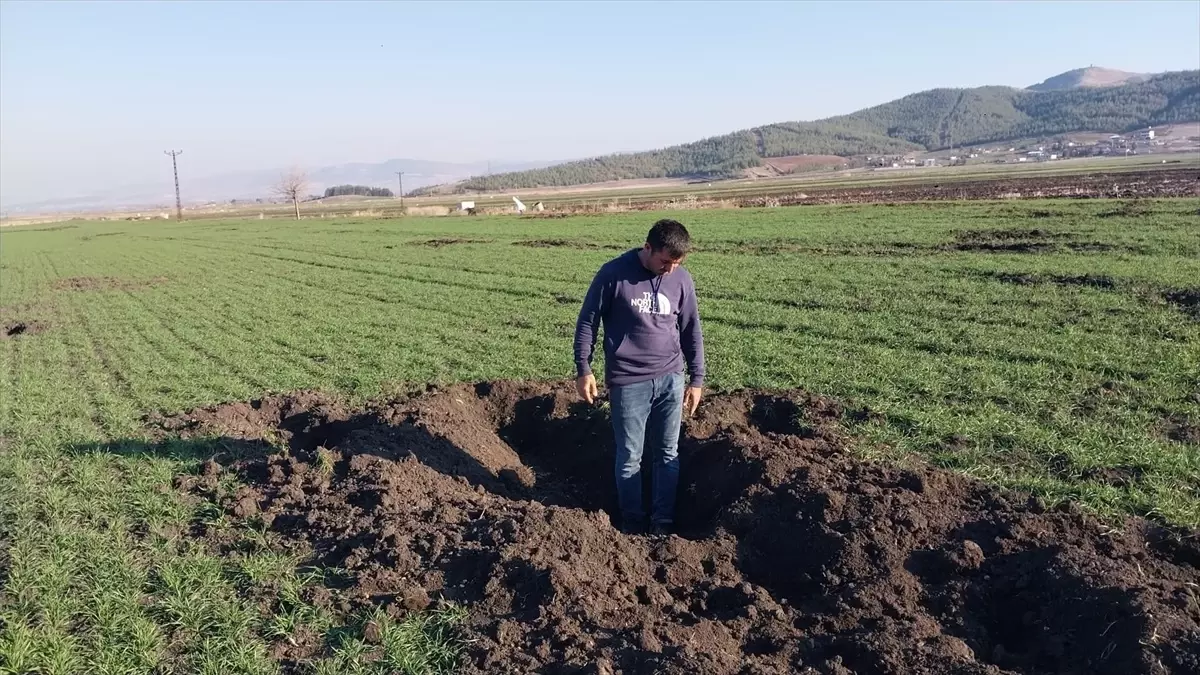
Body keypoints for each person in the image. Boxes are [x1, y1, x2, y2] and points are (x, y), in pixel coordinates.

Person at [573, 218, 705, 535]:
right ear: (648, 248)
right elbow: (587, 322)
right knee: (631, 456)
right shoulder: (613, 274)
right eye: (665, 261)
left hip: (671, 378)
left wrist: (697, 379)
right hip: (628, 380)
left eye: (677, 263)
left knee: (667, 454)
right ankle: (632, 523)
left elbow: (691, 330)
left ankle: (662, 521)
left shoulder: (681, 280)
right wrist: (583, 368)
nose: (670, 269)